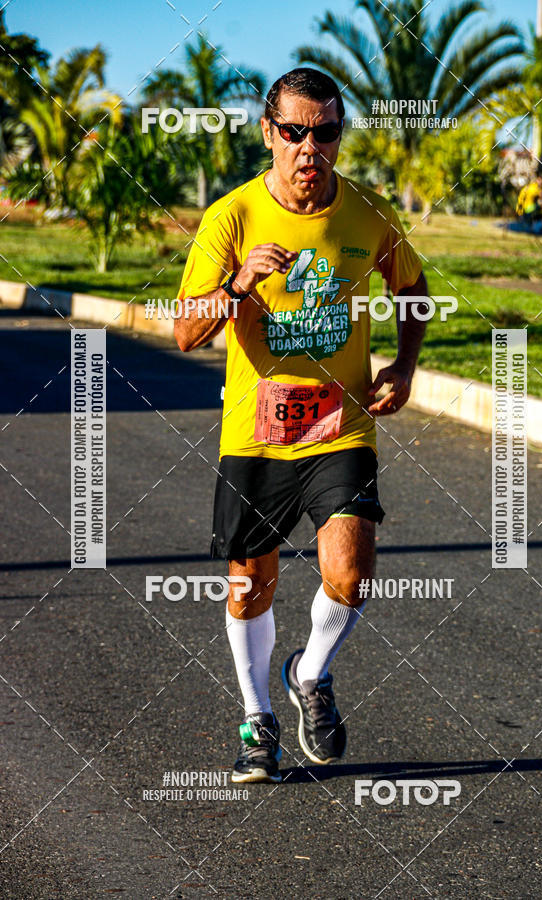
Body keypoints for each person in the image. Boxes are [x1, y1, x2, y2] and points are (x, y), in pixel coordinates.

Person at [174, 68, 428, 783]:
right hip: (254, 435)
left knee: (350, 572)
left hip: (339, 428)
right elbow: (187, 333)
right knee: (250, 584)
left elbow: (412, 288)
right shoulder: (232, 218)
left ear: (339, 139)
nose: (308, 148)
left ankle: (309, 674)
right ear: (268, 133)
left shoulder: (366, 216)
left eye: (325, 133)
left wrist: (403, 369)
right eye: (294, 132)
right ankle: (258, 721)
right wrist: (237, 286)